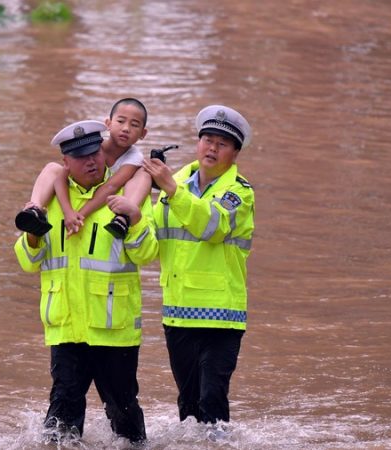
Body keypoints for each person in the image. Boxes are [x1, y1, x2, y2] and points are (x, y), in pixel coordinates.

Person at [13, 119, 159, 445]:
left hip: (114, 330)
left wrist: (133, 221)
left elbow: (148, 254)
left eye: (94, 152)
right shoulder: (47, 201)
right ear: (66, 162)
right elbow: (26, 261)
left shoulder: (128, 194)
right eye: (80, 157)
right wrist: (34, 239)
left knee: (125, 417)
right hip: (66, 329)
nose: (90, 161)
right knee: (61, 421)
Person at [141, 105, 255, 440]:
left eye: (222, 143)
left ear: (235, 153)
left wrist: (170, 191)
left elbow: (212, 225)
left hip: (222, 316)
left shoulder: (240, 193)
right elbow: (149, 245)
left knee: (212, 402)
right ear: (197, 142)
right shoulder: (170, 185)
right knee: (188, 409)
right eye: (207, 139)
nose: (212, 147)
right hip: (177, 314)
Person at [15, 98, 151, 239]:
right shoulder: (95, 146)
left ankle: (123, 218)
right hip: (85, 187)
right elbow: (60, 178)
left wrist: (80, 215)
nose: (126, 128)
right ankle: (34, 210)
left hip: (106, 195)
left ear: (143, 133)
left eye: (134, 125)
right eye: (120, 121)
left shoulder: (134, 157)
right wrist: (68, 212)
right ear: (108, 124)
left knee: (145, 171)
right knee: (52, 167)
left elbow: (111, 186)